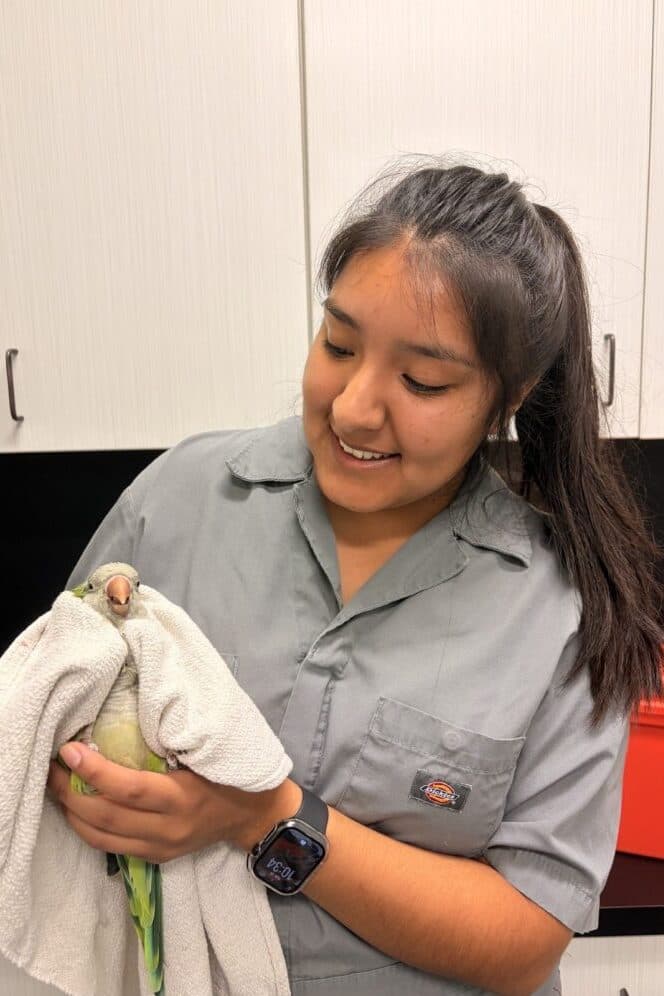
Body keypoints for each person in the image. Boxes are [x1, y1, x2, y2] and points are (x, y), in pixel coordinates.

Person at [47, 161, 663, 996]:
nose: (353, 408)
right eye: (338, 344)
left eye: (423, 381)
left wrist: (267, 820)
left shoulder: (559, 605)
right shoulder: (180, 501)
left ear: (507, 396)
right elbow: (54, 705)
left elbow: (525, 937)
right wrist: (83, 784)